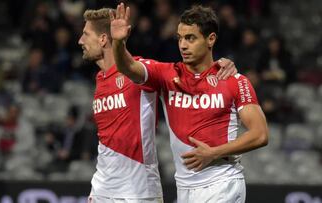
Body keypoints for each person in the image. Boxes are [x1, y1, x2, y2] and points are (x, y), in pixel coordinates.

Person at [110, 3, 269, 203]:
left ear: (210, 39)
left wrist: (213, 153)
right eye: (180, 38)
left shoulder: (234, 81)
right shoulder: (167, 75)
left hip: (222, 183)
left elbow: (260, 134)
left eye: (191, 38)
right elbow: (128, 67)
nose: (183, 45)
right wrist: (118, 43)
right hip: (184, 188)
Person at [79, 7, 237, 203]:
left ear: (103, 39)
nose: (80, 41)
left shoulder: (140, 73)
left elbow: (190, 72)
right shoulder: (100, 79)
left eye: (85, 34)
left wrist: (220, 66)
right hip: (102, 188)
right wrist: (97, 190)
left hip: (138, 191)